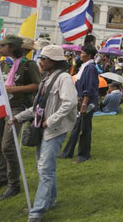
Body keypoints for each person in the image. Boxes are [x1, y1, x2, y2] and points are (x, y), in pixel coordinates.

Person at [11, 45, 77, 222]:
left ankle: (37, 212)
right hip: (43, 128)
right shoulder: (46, 78)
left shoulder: (64, 78)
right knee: (46, 168)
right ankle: (50, 201)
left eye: (44, 58)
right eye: (41, 57)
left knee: (45, 169)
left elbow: (69, 102)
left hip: (54, 129)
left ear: (54, 61)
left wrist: (51, 120)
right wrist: (18, 117)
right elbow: (37, 107)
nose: (40, 61)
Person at [0, 35, 41, 201]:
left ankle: (14, 183)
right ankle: (2, 177)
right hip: (1, 107)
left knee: (8, 146)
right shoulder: (4, 63)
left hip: (17, 108)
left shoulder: (28, 65)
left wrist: (14, 90)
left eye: (3, 46)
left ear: (12, 47)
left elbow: (37, 85)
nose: (0, 48)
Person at [60, 45, 99, 163]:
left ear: (88, 55)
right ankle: (68, 152)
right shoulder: (85, 66)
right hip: (81, 100)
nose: (80, 55)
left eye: (82, 53)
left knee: (84, 129)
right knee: (77, 128)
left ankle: (84, 154)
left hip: (86, 102)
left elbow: (90, 87)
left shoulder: (91, 68)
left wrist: (84, 104)